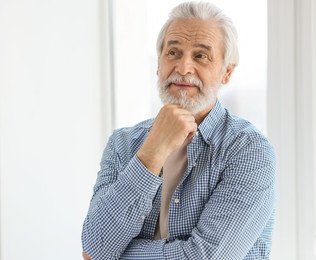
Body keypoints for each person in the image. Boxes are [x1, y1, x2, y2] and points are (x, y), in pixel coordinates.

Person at [81, 1, 276, 259]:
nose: (183, 68)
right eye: (173, 52)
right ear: (158, 64)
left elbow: (204, 257)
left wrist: (121, 253)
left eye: (200, 56)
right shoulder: (123, 143)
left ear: (226, 73)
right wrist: (152, 152)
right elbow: (94, 250)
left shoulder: (248, 151)